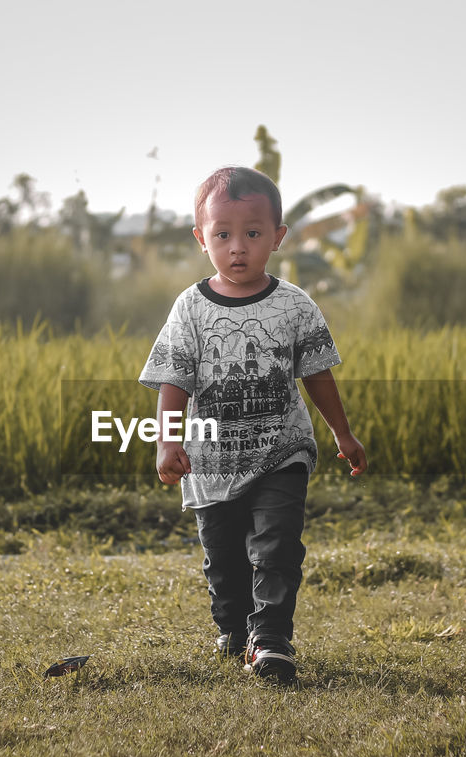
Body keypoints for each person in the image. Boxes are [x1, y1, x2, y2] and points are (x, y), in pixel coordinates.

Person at [139, 165, 366, 683]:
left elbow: (317, 374)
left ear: (278, 238)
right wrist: (166, 441)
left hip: (281, 452)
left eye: (252, 234)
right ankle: (234, 630)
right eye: (222, 235)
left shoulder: (295, 306)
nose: (237, 247)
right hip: (212, 461)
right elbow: (173, 379)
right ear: (202, 238)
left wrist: (341, 432)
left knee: (277, 546)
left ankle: (271, 642)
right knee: (224, 561)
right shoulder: (191, 309)